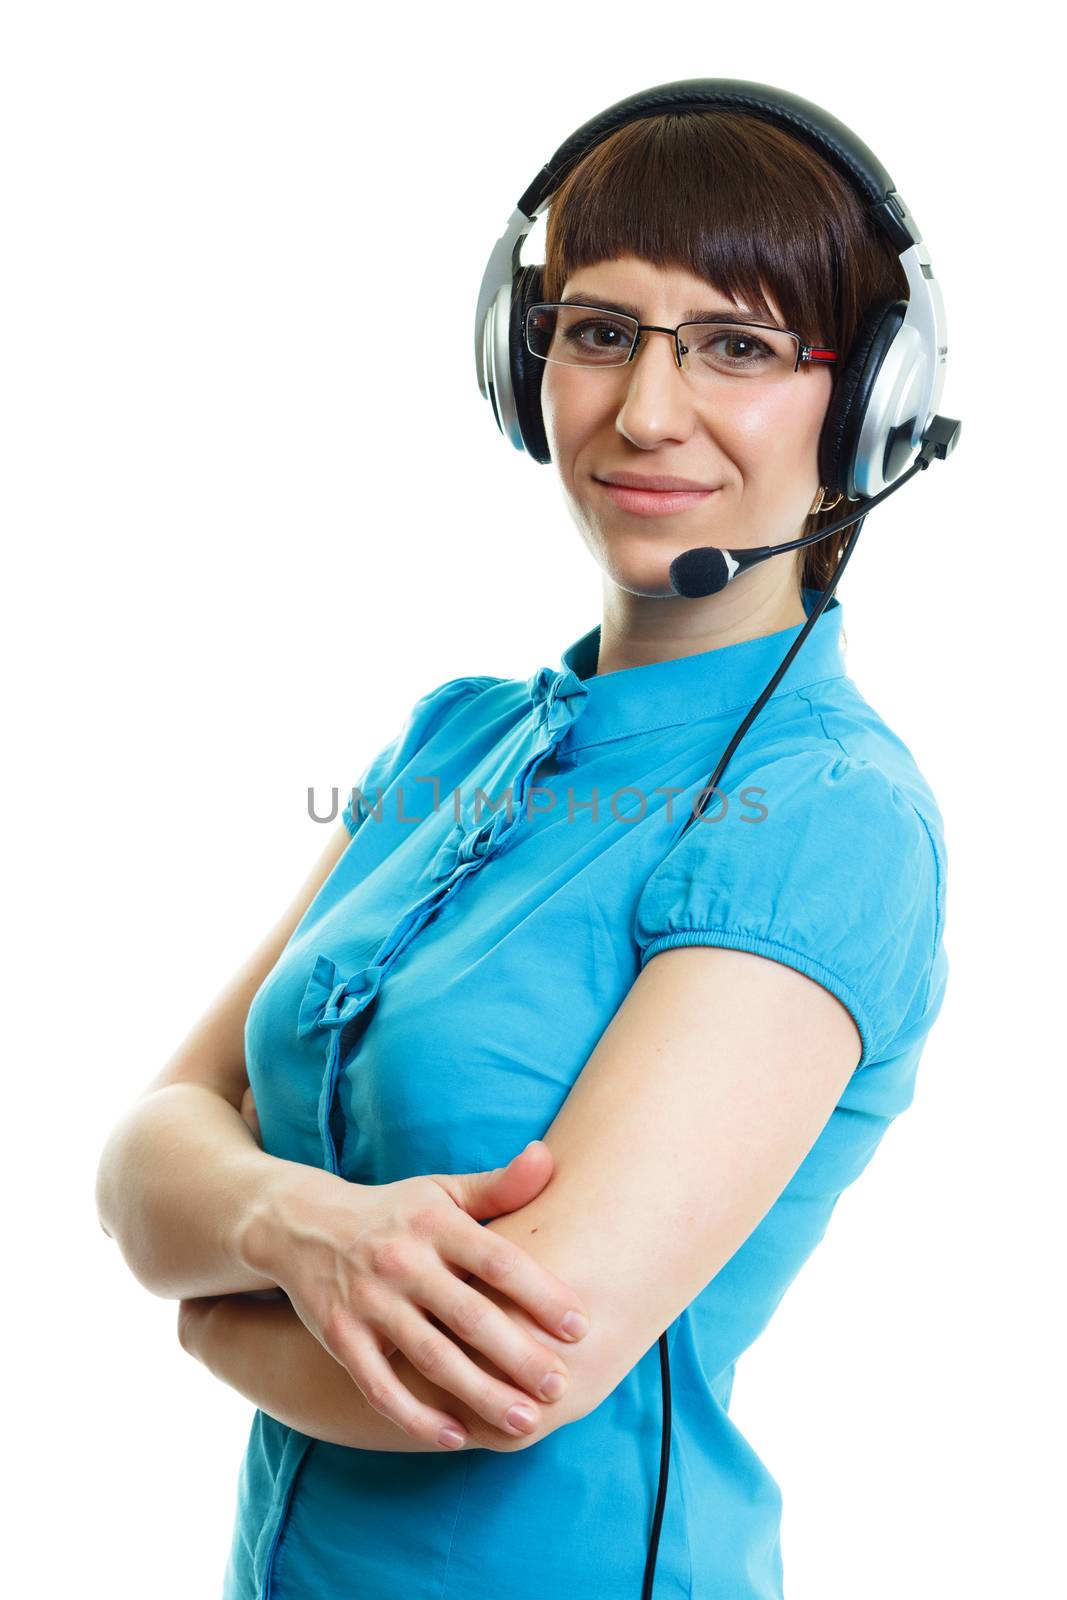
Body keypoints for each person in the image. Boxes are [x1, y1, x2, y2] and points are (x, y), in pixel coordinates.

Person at [95, 105, 949, 1600]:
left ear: (868, 402)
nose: (645, 411)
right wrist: (290, 1223)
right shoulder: (451, 743)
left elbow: (508, 1372)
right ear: (524, 362)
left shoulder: (827, 815)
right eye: (601, 330)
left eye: (738, 346)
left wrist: (207, 1305)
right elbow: (146, 1149)